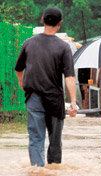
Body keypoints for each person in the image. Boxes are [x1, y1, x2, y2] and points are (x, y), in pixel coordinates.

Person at [15, 7, 77, 167]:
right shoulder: (63, 47)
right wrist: (74, 102)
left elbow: (18, 68)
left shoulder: (28, 43)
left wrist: (22, 83)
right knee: (55, 141)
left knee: (36, 139)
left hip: (34, 98)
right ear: (60, 23)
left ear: (43, 20)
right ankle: (54, 169)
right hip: (55, 101)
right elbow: (70, 77)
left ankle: (38, 170)